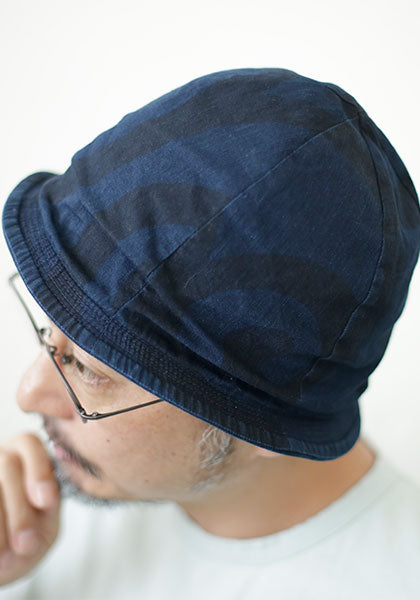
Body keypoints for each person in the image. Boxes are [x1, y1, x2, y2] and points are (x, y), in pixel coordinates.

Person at [0, 67, 419, 599]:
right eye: (49, 333)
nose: (27, 393)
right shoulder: (33, 524)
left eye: (87, 370)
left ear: (259, 427)